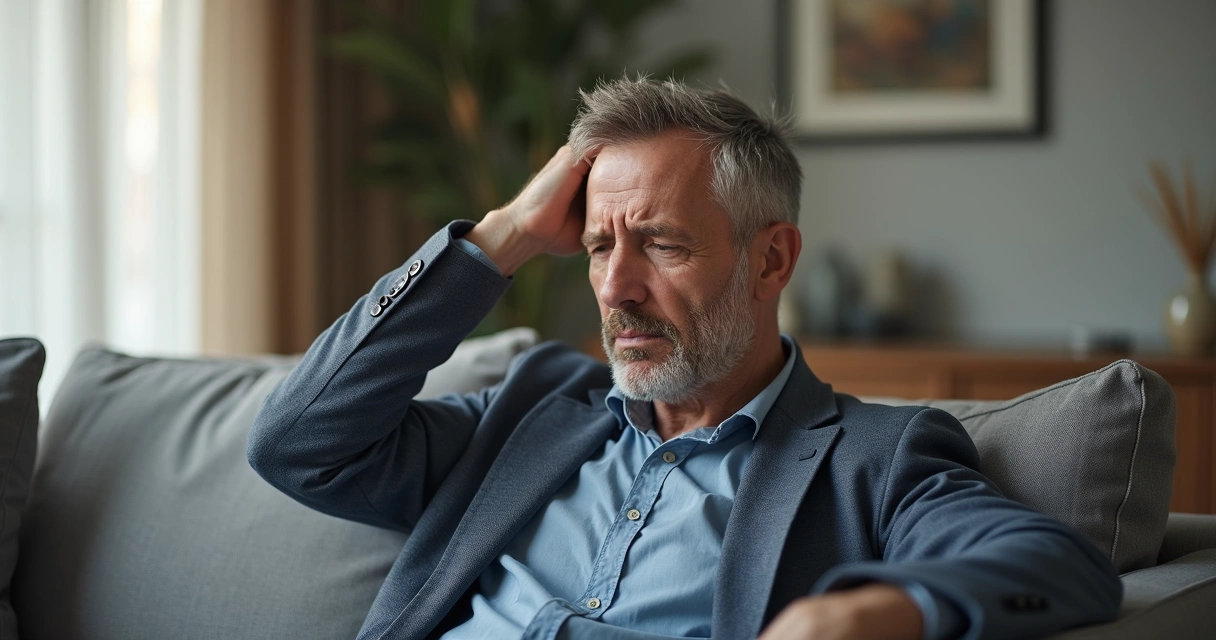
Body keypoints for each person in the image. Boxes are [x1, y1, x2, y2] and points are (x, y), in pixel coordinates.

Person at [247, 77, 1121, 640]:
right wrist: (503, 234)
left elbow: (1058, 563)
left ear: (771, 260)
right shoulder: (531, 409)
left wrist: (873, 611)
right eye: (596, 247)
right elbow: (298, 443)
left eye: (660, 244)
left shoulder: (875, 457)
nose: (616, 287)